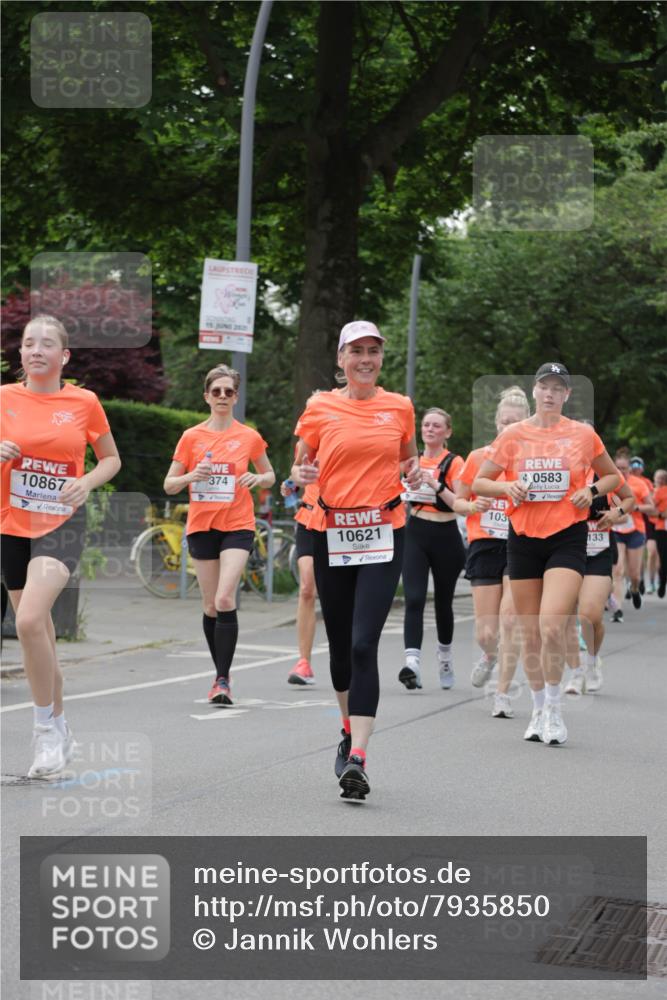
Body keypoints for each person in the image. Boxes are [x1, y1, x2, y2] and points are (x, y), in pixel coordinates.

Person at [291, 320, 420, 800]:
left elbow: (406, 459)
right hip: (331, 533)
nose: (366, 359)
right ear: (342, 359)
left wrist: (415, 472)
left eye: (374, 351)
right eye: (357, 351)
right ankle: (347, 729)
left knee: (366, 643)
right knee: (342, 647)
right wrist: (300, 470)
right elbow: (302, 461)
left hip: (385, 532)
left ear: (381, 359)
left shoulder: (400, 407)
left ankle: (360, 757)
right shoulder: (319, 407)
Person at [473, 363, 621, 746]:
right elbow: (479, 482)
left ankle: (555, 709)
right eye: (545, 387)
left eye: (559, 388)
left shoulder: (583, 435)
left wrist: (591, 492)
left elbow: (612, 478)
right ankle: (537, 708)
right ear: (534, 392)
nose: (551, 393)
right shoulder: (514, 435)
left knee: (552, 624)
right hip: (522, 538)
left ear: (567, 395)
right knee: (529, 632)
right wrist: (508, 488)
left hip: (567, 537)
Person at [0, 315, 121, 778]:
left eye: (47, 343)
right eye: (29, 343)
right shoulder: (6, 399)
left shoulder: (83, 402)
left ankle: (43, 731)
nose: (36, 350)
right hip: (12, 523)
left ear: (63, 356)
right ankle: (61, 727)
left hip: (61, 522)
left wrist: (86, 482)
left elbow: (111, 458)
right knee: (42, 634)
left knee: (28, 619)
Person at [164, 364, 275, 706]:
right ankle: (218, 675)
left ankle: (223, 680)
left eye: (229, 391)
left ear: (236, 397)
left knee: (226, 598)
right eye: (217, 392)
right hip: (202, 527)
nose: (223, 396)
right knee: (211, 605)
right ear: (207, 397)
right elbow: (169, 485)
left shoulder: (249, 436)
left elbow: (269, 473)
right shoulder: (191, 437)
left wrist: (259, 480)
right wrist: (191, 476)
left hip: (238, 525)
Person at [454, 386, 530, 718]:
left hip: (520, 541)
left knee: (510, 619)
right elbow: (457, 502)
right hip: (485, 541)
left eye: (515, 423)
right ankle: (489, 654)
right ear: (496, 423)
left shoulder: (533, 461)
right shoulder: (476, 458)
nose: (507, 429)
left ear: (525, 424)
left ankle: (502, 693)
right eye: (503, 422)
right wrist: (473, 504)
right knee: (486, 632)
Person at [399, 408, 465, 691]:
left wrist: (435, 484)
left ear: (447, 432)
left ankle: (445, 657)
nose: (430, 429)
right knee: (413, 598)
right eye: (426, 425)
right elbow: (397, 492)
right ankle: (411, 663)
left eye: (436, 426)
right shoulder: (411, 460)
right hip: (415, 531)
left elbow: (459, 503)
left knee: (443, 602)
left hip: (446, 534)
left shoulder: (455, 462)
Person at [564, 466, 635, 695]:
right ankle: (575, 673)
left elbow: (629, 499)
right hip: (563, 550)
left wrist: (617, 513)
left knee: (590, 614)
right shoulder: (560, 468)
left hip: (598, 550)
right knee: (565, 615)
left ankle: (592, 661)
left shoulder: (604, 473)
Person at [280, 473, 318, 685]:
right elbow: (298, 474)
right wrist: (290, 485)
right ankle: (304, 662)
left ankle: (349, 655)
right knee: (306, 589)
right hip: (309, 520)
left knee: (340, 593)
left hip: (339, 523)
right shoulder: (308, 441)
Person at [610, 449, 653, 620]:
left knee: (634, 574)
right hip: (617, 529)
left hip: (635, 530)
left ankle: (634, 589)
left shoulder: (638, 484)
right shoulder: (610, 483)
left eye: (624, 469)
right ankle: (617, 610)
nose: (620, 472)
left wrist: (634, 507)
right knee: (618, 570)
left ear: (629, 469)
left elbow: (652, 508)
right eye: (617, 468)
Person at [630, 456, 659, 594]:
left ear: (642, 467)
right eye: (633, 464)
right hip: (628, 519)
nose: (636, 467)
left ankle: (645, 581)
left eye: (638, 464)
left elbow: (653, 500)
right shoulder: (624, 480)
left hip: (646, 520)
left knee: (650, 552)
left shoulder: (646, 482)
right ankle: (638, 580)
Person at [650, 469, 667, 599]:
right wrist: (661, 514)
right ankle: (662, 582)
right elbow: (650, 508)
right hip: (662, 529)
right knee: (664, 559)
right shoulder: (661, 491)